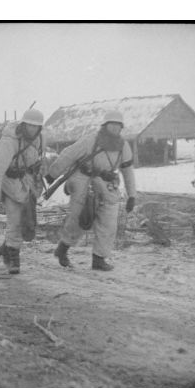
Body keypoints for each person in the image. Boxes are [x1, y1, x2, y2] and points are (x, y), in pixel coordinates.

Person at [44, 110, 136, 271]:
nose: (114, 128)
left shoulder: (124, 146)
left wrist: (132, 195)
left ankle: (99, 259)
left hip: (107, 183)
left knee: (109, 221)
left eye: (117, 125)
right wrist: (53, 174)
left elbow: (128, 171)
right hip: (84, 180)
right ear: (105, 126)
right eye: (111, 124)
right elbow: (69, 154)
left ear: (121, 128)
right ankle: (63, 249)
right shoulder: (90, 140)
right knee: (80, 218)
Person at [0, 107, 46, 274]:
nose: (32, 129)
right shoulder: (9, 141)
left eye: (36, 126)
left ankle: (7, 247)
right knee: (16, 220)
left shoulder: (40, 139)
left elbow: (39, 160)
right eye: (30, 126)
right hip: (9, 182)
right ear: (24, 124)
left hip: (27, 183)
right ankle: (12, 258)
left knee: (28, 221)